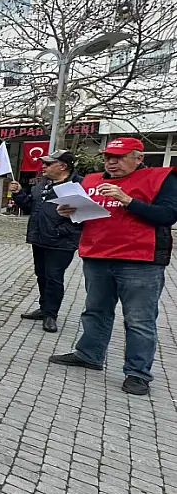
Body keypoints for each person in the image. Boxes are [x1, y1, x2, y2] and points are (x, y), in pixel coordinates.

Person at [48, 138, 177, 396]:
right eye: (108, 157)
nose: (111, 162)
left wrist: (128, 200)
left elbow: (167, 216)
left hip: (140, 261)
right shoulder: (92, 180)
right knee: (95, 310)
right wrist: (71, 214)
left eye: (118, 157)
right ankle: (89, 355)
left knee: (139, 320)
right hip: (97, 255)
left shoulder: (161, 178)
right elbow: (86, 220)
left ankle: (137, 373)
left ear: (138, 158)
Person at [8, 150, 83, 333]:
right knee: (41, 274)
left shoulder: (79, 185)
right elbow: (29, 206)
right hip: (39, 238)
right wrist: (18, 193)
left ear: (63, 166)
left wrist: (61, 231)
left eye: (48, 164)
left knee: (54, 277)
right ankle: (43, 308)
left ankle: (51, 314)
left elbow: (85, 216)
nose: (43, 167)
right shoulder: (41, 185)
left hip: (61, 242)